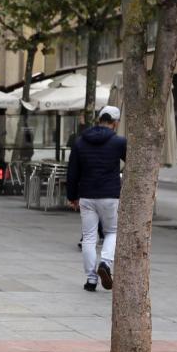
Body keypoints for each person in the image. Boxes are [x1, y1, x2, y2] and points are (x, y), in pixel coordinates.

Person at [67, 105, 127, 292]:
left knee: (89, 238)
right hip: (110, 195)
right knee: (112, 232)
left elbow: (73, 172)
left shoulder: (80, 142)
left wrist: (72, 196)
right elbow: (132, 164)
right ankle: (106, 264)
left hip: (86, 195)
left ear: (99, 119)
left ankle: (91, 279)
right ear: (115, 123)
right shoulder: (119, 142)